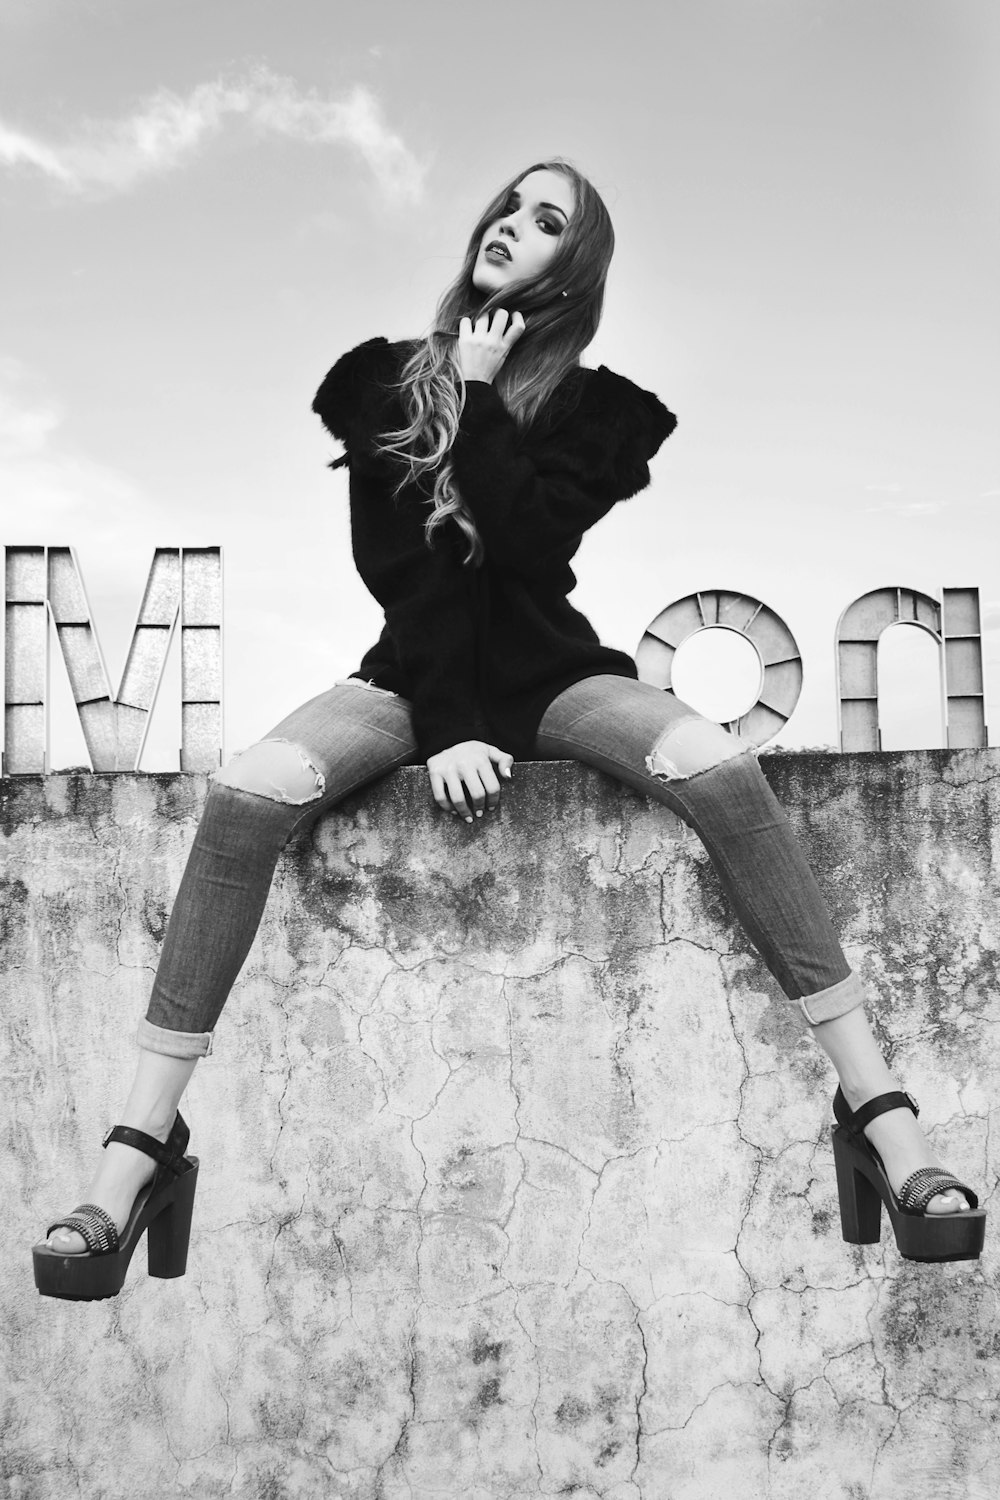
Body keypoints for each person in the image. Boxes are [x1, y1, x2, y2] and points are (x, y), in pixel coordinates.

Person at [33, 159, 985, 1300]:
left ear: (570, 270)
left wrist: (483, 399)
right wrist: (443, 727)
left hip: (551, 678)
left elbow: (526, 553)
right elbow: (401, 569)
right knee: (244, 797)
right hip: (412, 680)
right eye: (507, 206)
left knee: (721, 770)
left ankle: (880, 1116)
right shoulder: (380, 381)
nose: (510, 227)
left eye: (548, 223)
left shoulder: (606, 414)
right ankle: (136, 1153)